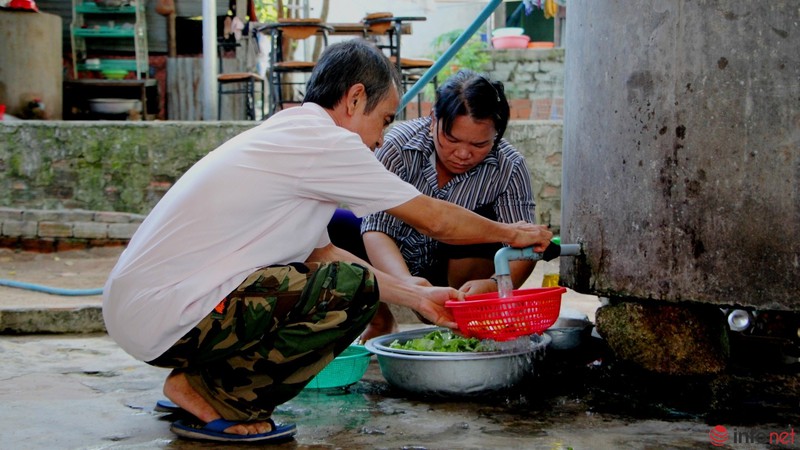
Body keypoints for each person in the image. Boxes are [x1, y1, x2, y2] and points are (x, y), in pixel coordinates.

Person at [102, 39, 552, 444]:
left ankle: (198, 379)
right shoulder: (325, 142)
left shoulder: (296, 133)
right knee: (350, 288)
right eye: (384, 119)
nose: (381, 136)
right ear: (355, 99)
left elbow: (323, 253)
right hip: (167, 317)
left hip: (145, 313)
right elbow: (434, 220)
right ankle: (219, 396)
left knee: (340, 275)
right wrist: (512, 233)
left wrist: (417, 293)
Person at [330, 70, 539, 341]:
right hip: (395, 259)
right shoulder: (398, 146)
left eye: (479, 144)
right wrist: (408, 286)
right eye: (451, 140)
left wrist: (492, 285)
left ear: (496, 134)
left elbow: (524, 245)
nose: (463, 154)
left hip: (459, 271)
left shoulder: (509, 166)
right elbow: (377, 227)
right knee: (332, 226)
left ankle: (462, 316)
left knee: (484, 225)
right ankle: (379, 318)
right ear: (433, 121)